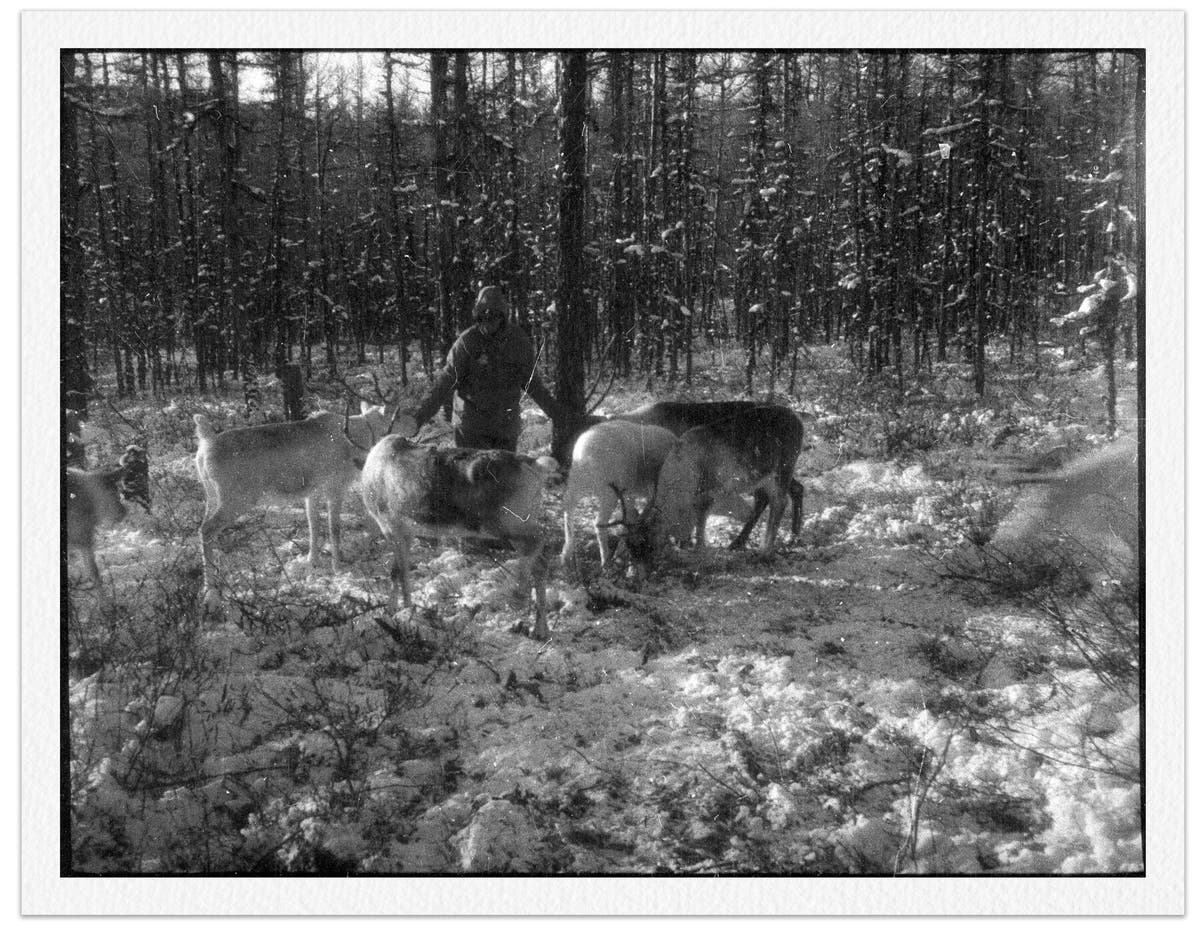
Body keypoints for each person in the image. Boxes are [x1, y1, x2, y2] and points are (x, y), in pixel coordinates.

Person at [411, 286, 560, 451]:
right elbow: (445, 383)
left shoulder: (518, 342)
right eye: (484, 316)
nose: (489, 322)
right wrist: (418, 419)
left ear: (502, 317)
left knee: (503, 476)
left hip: (505, 429)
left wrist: (558, 416)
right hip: (471, 430)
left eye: (494, 316)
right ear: (478, 316)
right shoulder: (467, 342)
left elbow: (534, 386)